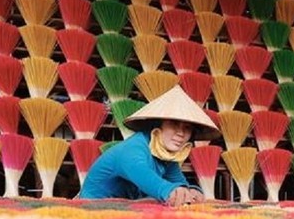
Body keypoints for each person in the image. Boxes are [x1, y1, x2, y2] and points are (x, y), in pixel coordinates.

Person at [79, 86, 220, 205]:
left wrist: (192, 191)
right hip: (93, 207)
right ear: (158, 125)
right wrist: (172, 191)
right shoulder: (133, 149)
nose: (181, 133)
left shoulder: (165, 156)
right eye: (173, 124)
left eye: (187, 128)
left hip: (124, 208)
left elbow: (178, 182)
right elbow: (147, 178)